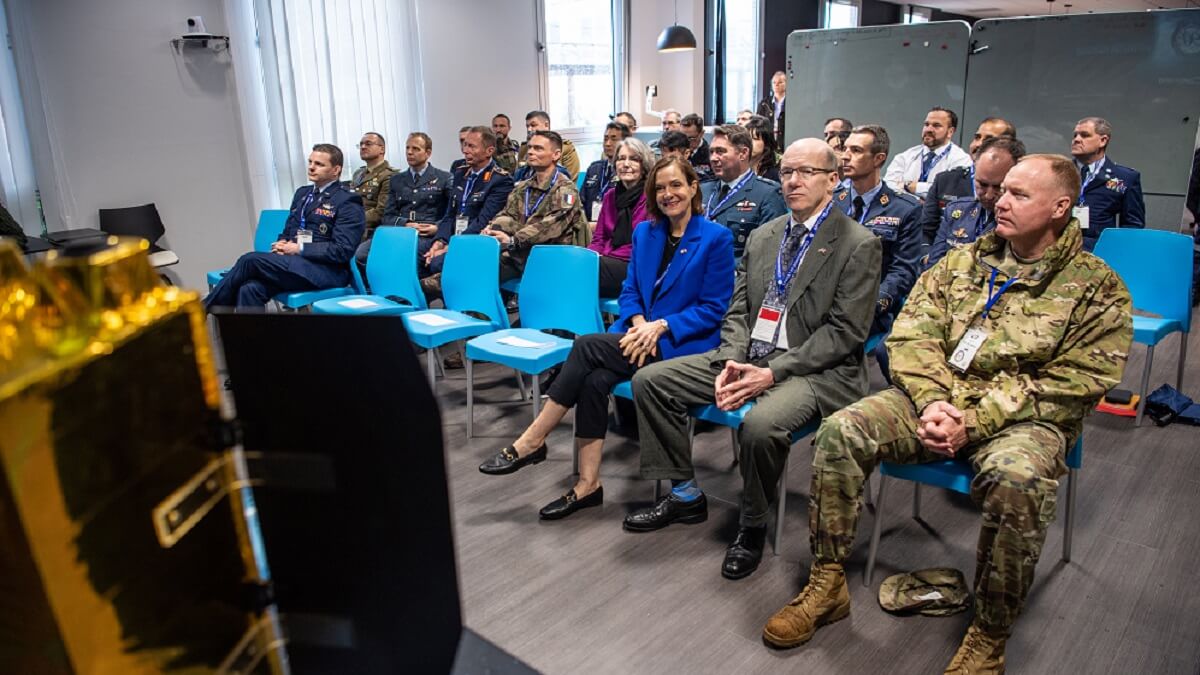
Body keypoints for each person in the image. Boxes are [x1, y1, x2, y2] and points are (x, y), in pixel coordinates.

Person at [761, 154, 1132, 674]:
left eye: (1019, 195)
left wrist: (972, 421)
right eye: (1002, 190)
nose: (1000, 201)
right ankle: (827, 584)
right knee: (842, 431)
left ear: (1060, 207)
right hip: (933, 400)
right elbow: (910, 336)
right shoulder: (961, 263)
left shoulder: (1098, 287)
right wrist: (936, 401)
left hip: (1023, 421)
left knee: (1018, 478)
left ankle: (989, 634)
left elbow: (1078, 381)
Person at [624, 139, 882, 582]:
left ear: (833, 180)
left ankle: (752, 523)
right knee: (652, 380)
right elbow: (739, 309)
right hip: (750, 354)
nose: (793, 181)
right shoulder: (765, 236)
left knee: (760, 425)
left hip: (813, 369)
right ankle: (685, 494)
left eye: (806, 172)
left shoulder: (859, 244)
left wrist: (770, 372)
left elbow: (844, 334)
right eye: (786, 172)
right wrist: (731, 357)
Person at [477, 158, 736, 520]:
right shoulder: (646, 233)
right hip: (636, 336)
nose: (667, 194)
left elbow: (713, 309)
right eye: (660, 188)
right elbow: (630, 291)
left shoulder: (715, 239)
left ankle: (532, 440)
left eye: (676, 185)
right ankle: (588, 485)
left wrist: (658, 326)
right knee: (595, 380)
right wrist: (640, 323)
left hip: (681, 345)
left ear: (693, 188)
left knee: (585, 346)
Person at [206, 144, 364, 309]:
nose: (311, 167)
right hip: (296, 265)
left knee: (250, 260)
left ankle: (201, 312)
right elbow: (289, 229)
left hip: (326, 271)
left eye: (319, 164)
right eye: (310, 162)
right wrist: (281, 244)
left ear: (336, 170)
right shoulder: (303, 193)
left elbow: (342, 250)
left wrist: (298, 248)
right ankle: (247, 335)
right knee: (250, 288)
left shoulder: (347, 200)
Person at [833, 125, 921, 338]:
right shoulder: (833, 202)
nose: (845, 157)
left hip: (870, 307)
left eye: (856, 151)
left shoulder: (904, 209)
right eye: (845, 149)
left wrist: (872, 305)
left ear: (879, 159)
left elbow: (903, 271)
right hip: (827, 300)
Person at [481, 130, 588, 282]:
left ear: (556, 155)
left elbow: (550, 227)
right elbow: (507, 213)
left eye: (538, 148)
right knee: (474, 265)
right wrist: (491, 228)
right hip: (522, 253)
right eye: (530, 147)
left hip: (551, 258)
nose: (530, 152)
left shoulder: (566, 189)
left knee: (482, 271)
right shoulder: (523, 187)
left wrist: (512, 241)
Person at [424, 127, 514, 285]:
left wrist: (452, 245)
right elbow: (450, 215)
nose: (465, 151)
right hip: (455, 237)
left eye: (472, 146)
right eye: (465, 145)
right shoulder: (460, 173)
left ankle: (460, 304)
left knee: (437, 263)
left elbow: (483, 221)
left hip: (476, 239)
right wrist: (439, 242)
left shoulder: (500, 180)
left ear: (489, 151)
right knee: (418, 256)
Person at [357, 132, 453, 279]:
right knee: (361, 254)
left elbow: (451, 214)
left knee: (406, 258)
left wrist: (437, 227)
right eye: (407, 148)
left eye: (415, 149)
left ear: (428, 153)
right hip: (400, 231)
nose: (409, 152)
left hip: (426, 234)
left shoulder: (444, 178)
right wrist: (405, 224)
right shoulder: (397, 180)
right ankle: (374, 291)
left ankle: (407, 296)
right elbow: (387, 216)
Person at [925, 135, 1025, 270]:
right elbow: (933, 268)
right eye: (982, 184)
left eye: (998, 187)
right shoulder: (957, 212)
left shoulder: (1024, 222)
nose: (989, 195)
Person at [919, 117, 1016, 245]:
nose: (978, 144)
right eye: (977, 137)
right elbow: (926, 231)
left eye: (988, 140)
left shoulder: (1015, 190)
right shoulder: (945, 180)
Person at [700, 124, 787, 257]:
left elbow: (767, 253)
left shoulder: (767, 194)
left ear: (743, 153)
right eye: (711, 152)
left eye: (720, 151)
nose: (713, 158)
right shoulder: (702, 191)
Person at [589, 137, 655, 297]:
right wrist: (591, 256)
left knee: (580, 273)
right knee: (572, 264)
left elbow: (647, 245)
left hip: (637, 266)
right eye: (621, 159)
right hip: (607, 261)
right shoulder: (610, 196)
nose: (626, 164)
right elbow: (599, 238)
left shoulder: (652, 196)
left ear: (644, 165)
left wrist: (602, 259)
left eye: (634, 159)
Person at [1071, 116, 1144, 251]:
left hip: (1097, 253)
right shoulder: (1058, 171)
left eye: (1085, 135)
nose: (1076, 139)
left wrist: (1117, 252)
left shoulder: (1125, 177)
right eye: (1075, 135)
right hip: (1057, 249)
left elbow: (1132, 226)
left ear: (1103, 140)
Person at [884, 107, 972, 200]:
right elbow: (889, 186)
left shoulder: (961, 160)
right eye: (926, 124)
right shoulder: (905, 157)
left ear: (950, 131)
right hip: (906, 211)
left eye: (936, 125)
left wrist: (912, 186)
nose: (928, 129)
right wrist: (915, 201)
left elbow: (950, 193)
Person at [580, 121, 632, 221]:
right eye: (605, 139)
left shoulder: (628, 171)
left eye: (613, 139)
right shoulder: (594, 168)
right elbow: (581, 200)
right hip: (589, 227)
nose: (608, 143)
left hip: (613, 227)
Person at [348, 132, 395, 235]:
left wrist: (352, 219)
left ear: (382, 149)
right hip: (351, 227)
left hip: (371, 231)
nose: (363, 147)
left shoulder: (390, 175)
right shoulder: (358, 173)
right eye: (361, 144)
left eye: (368, 144)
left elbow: (381, 211)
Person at [517, 110, 580, 179]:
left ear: (546, 125)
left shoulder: (565, 147)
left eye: (533, 125)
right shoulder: (524, 148)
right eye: (527, 126)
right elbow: (519, 175)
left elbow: (571, 178)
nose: (529, 129)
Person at [746, 114, 781, 183]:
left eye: (755, 139)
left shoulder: (774, 175)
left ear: (766, 142)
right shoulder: (738, 172)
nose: (749, 142)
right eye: (747, 138)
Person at [757, 71, 787, 145]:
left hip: (786, 139)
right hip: (769, 141)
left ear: (786, 83)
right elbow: (758, 122)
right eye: (774, 82)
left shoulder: (792, 102)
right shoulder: (764, 103)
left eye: (780, 82)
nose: (776, 85)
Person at [680, 113, 713, 181]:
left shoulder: (711, 155)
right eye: (682, 137)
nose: (686, 142)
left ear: (701, 134)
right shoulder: (675, 151)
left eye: (691, 138)